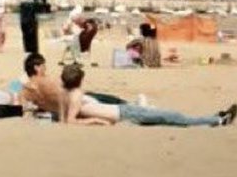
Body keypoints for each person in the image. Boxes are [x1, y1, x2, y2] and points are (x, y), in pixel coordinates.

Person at [60, 64, 235, 128]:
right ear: (79, 79)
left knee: (169, 122)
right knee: (174, 117)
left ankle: (212, 121)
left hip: (124, 113)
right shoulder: (75, 95)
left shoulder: (66, 94)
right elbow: (69, 121)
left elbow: (63, 117)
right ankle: (217, 120)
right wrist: (95, 121)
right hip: (126, 113)